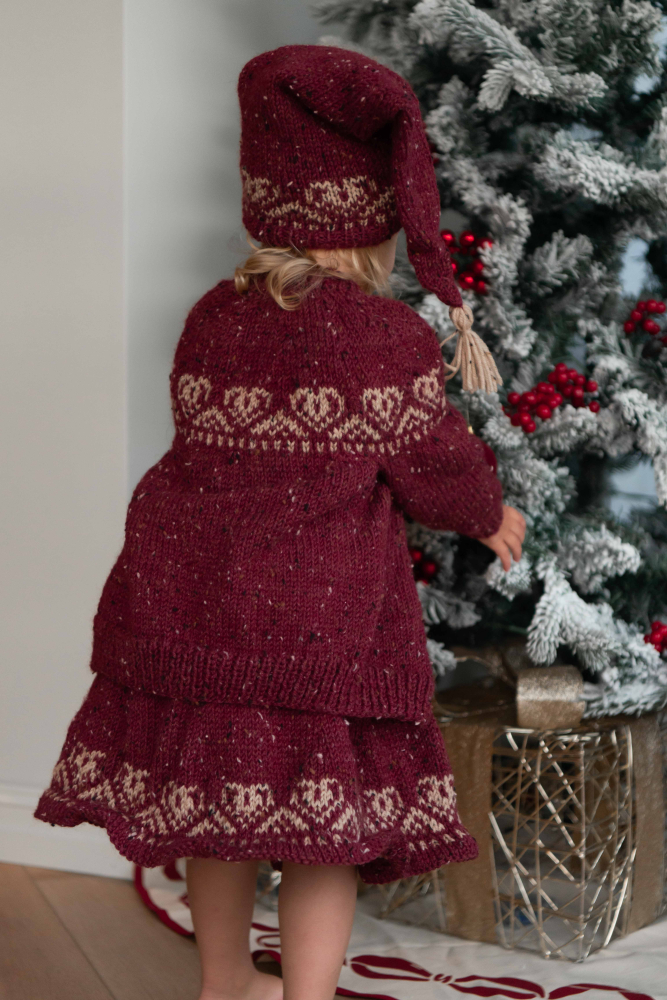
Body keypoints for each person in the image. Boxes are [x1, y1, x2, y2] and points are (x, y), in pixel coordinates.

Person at [36, 44, 525, 1000]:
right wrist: (486, 513)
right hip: (318, 631)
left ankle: (224, 980)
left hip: (192, 607)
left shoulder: (212, 316)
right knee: (320, 832)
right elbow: (432, 466)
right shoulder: (382, 336)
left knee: (218, 813)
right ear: (372, 219)